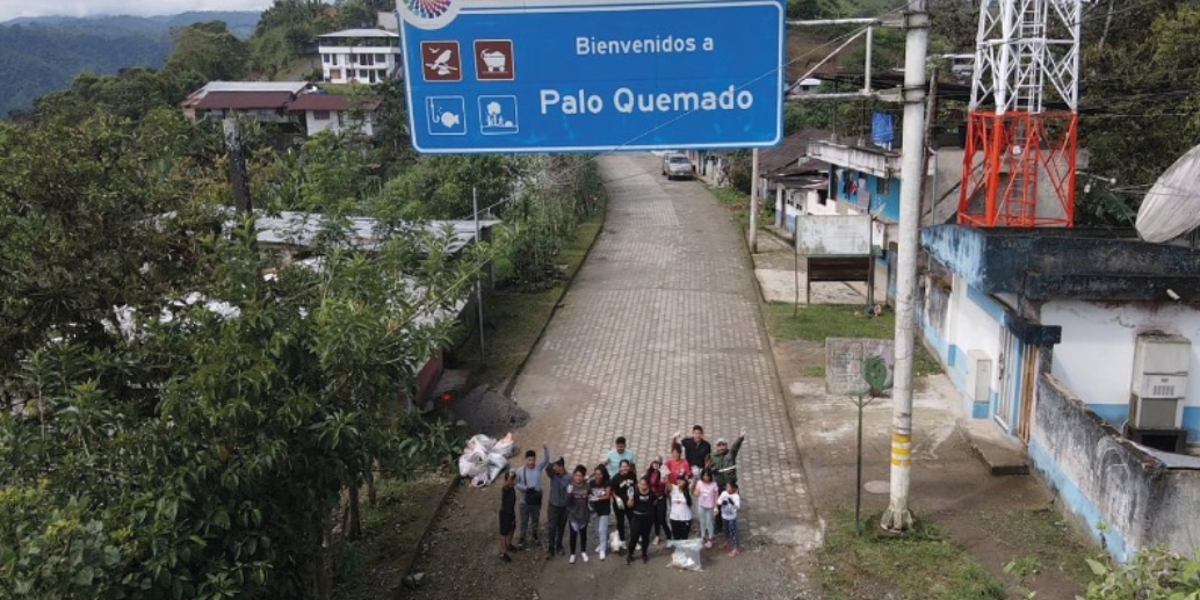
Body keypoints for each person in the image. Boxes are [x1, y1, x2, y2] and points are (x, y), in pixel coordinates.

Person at [710, 431, 745, 534]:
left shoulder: (731, 454)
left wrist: (740, 438)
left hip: (731, 486)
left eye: (723, 445)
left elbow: (736, 447)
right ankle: (718, 526)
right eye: (719, 445)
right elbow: (709, 466)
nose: (721, 447)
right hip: (719, 485)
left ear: (726, 446)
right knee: (719, 506)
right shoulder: (713, 456)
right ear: (717, 447)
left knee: (731, 507)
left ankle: (730, 526)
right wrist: (712, 469)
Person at [514, 446, 548, 549]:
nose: (531, 462)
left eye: (533, 460)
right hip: (525, 501)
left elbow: (546, 459)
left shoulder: (538, 467)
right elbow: (515, 483)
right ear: (526, 460)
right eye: (529, 460)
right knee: (524, 521)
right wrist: (525, 488)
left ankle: (535, 536)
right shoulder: (520, 471)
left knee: (535, 520)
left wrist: (545, 448)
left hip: (536, 501)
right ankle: (522, 538)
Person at [544, 452, 570, 560]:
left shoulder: (569, 478)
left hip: (564, 507)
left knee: (561, 527)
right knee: (552, 527)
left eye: (556, 466)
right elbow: (547, 468)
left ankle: (559, 545)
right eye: (554, 466)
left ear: (561, 467)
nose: (554, 468)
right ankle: (550, 548)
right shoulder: (553, 474)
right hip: (553, 506)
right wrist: (553, 460)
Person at [625, 477, 656, 564]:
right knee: (634, 536)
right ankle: (630, 554)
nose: (642, 486)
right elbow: (629, 505)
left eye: (645, 484)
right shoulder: (634, 492)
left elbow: (654, 502)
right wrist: (630, 498)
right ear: (638, 485)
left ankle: (644, 554)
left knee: (646, 537)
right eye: (641, 484)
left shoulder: (651, 493)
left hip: (647, 518)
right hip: (636, 517)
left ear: (648, 485)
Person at [565, 465, 591, 564]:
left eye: (580, 476)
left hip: (584, 514)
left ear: (583, 476)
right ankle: (572, 554)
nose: (578, 477)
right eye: (576, 475)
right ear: (574, 476)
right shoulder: (570, 486)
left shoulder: (587, 486)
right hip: (573, 515)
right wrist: (568, 493)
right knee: (573, 535)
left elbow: (591, 496)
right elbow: (566, 503)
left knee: (583, 535)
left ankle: (583, 552)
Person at [610, 459, 637, 553]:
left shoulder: (632, 475)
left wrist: (632, 498)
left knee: (633, 522)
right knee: (620, 522)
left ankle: (634, 541)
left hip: (630, 503)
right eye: (623, 466)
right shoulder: (615, 478)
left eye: (626, 466)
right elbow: (612, 491)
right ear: (620, 467)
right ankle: (622, 540)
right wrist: (617, 498)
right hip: (619, 505)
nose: (625, 468)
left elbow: (635, 486)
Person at [589, 465, 612, 560]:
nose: (598, 476)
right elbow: (589, 492)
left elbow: (607, 496)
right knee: (597, 530)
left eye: (599, 474)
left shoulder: (607, 483)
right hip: (595, 510)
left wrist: (597, 498)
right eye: (596, 474)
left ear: (603, 474)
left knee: (602, 530)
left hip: (604, 510)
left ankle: (603, 549)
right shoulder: (591, 483)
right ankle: (603, 544)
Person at [692, 467, 718, 549]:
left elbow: (716, 495)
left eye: (708, 476)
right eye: (704, 476)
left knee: (709, 522)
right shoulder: (699, 482)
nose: (706, 477)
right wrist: (694, 487)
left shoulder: (714, 484)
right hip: (701, 505)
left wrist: (716, 506)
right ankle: (703, 536)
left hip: (709, 506)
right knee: (702, 521)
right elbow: (696, 493)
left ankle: (710, 538)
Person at [644, 458, 669, 544]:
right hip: (652, 498)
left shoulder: (663, 473)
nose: (655, 464)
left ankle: (668, 536)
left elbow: (666, 485)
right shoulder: (649, 473)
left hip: (661, 497)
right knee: (655, 519)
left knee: (662, 518)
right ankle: (657, 535)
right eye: (654, 462)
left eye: (657, 463)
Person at [718, 481, 742, 557]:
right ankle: (727, 542)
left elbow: (738, 507)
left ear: (733, 488)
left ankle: (735, 548)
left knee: (733, 532)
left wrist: (733, 504)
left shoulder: (736, 496)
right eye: (726, 487)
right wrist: (722, 502)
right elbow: (718, 501)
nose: (727, 488)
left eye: (729, 487)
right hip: (724, 516)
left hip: (732, 518)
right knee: (726, 531)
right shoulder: (724, 493)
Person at [498, 471, 518, 562]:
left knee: (512, 528)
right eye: (513, 479)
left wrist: (513, 517)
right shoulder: (505, 488)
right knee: (504, 533)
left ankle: (509, 544)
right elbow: (506, 484)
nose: (515, 480)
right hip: (505, 514)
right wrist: (510, 476)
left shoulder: (512, 488)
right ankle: (503, 553)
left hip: (511, 513)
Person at [667, 476, 693, 541]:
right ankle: (678, 550)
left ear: (685, 482)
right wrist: (666, 475)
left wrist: (694, 477)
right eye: (678, 479)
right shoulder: (673, 488)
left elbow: (694, 482)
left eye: (681, 480)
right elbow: (667, 483)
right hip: (674, 518)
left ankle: (684, 550)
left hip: (685, 518)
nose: (679, 481)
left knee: (684, 538)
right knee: (676, 537)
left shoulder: (688, 489)